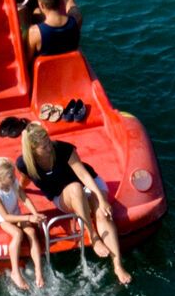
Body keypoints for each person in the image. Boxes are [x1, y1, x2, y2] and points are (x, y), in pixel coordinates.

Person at [17, 122, 131, 285]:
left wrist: (101, 198)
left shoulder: (63, 149)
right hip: (65, 194)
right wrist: (19, 190)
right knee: (76, 189)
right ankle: (93, 236)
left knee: (102, 214)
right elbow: (24, 180)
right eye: (44, 147)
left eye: (48, 142)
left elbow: (84, 175)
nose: (49, 148)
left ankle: (118, 266)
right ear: (33, 150)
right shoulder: (24, 164)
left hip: (90, 183)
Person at [0, 157, 46, 291]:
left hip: (16, 214)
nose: (14, 178)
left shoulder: (12, 182)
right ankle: (15, 272)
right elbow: (5, 216)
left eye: (13, 175)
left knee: (31, 232)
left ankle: (38, 271)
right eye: (10, 176)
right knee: (17, 234)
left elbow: (24, 197)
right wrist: (29, 218)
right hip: (3, 219)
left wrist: (34, 213)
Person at [24, 0, 80, 64]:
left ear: (42, 5)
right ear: (59, 2)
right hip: (69, 68)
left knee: (35, 12)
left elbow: (27, 61)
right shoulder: (76, 20)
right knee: (37, 12)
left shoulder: (35, 32)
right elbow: (70, 0)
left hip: (47, 73)